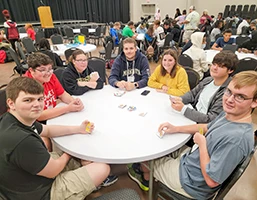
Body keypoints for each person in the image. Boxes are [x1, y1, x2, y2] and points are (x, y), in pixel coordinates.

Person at [128, 70, 257, 199]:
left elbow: (212, 181)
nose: (229, 100)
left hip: (191, 182)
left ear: (254, 102)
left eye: (240, 96)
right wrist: (176, 128)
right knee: (165, 141)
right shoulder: (230, 114)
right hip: (192, 161)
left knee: (147, 155)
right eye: (228, 91)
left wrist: (202, 145)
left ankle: (145, 175)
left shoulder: (237, 139)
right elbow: (207, 127)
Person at [0, 76, 110, 200]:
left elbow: (47, 130)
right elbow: (53, 171)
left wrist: (78, 129)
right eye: (28, 100)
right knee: (102, 168)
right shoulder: (22, 140)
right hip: (42, 192)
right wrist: (70, 151)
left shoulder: (14, 119)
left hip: (27, 178)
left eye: (40, 99)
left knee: (85, 159)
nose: (37, 105)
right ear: (11, 103)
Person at [24, 53, 84, 151]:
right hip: (33, 123)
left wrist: (73, 102)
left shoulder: (51, 77)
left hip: (52, 115)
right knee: (44, 144)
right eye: (42, 70)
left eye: (50, 69)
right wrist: (67, 108)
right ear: (31, 70)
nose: (48, 73)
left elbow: (62, 94)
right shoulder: (26, 87)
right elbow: (39, 116)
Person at [171, 50, 238, 123]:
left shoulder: (228, 92)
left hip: (201, 125)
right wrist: (180, 99)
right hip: (192, 115)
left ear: (230, 70)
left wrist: (183, 109)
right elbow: (192, 94)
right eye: (214, 64)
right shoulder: (207, 80)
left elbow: (211, 119)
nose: (214, 68)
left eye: (220, 66)